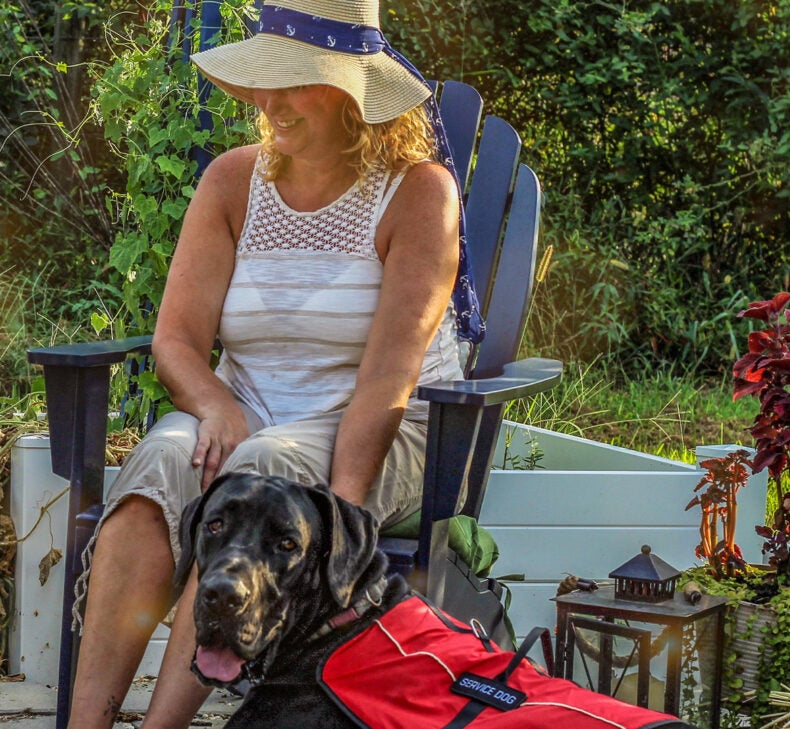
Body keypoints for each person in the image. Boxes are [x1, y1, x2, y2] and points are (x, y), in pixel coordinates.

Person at [67, 0, 483, 726]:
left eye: (294, 82)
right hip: (248, 407)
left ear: (353, 91)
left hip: (390, 424)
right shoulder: (232, 182)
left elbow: (387, 381)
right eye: (265, 80)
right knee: (156, 474)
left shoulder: (418, 194)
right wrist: (215, 403)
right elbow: (176, 341)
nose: (269, 102)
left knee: (257, 475)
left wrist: (340, 525)